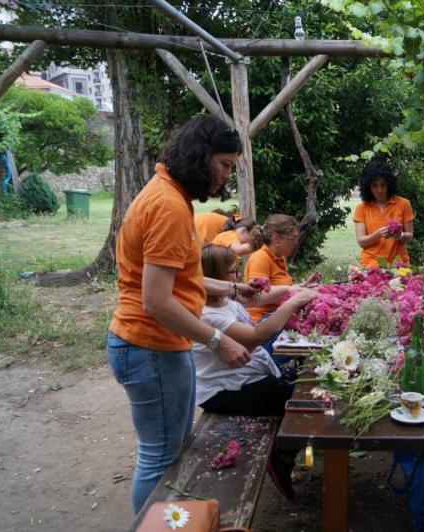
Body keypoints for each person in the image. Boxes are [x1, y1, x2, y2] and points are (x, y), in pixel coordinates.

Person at [107, 116, 257, 514]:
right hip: (150, 345)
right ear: (200, 156)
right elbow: (156, 300)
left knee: (168, 451)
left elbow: (179, 279)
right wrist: (217, 339)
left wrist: (233, 288)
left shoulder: (168, 193)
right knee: (160, 458)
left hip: (153, 345)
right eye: (224, 165)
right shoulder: (169, 206)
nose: (226, 177)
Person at [194, 244, 317, 499]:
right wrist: (294, 302)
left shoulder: (224, 298)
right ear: (211, 277)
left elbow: (259, 298)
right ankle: (281, 455)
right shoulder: (208, 315)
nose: (236, 279)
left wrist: (296, 288)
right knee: (303, 398)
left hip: (246, 378)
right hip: (225, 391)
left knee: (308, 381)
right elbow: (256, 336)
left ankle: (290, 448)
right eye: (230, 273)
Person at [244, 214, 320, 324]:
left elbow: (279, 288)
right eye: (293, 238)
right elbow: (258, 296)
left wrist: (303, 285)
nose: (296, 242)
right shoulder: (261, 257)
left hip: (277, 318)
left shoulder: (280, 257)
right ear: (276, 238)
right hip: (261, 322)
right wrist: (292, 290)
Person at [353, 159, 414, 268]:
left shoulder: (404, 204)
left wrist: (400, 235)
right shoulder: (361, 208)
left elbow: (409, 236)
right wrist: (378, 234)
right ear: (368, 187)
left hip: (399, 264)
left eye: (383, 185)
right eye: (374, 186)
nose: (379, 190)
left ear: (389, 184)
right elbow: (361, 242)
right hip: (370, 264)